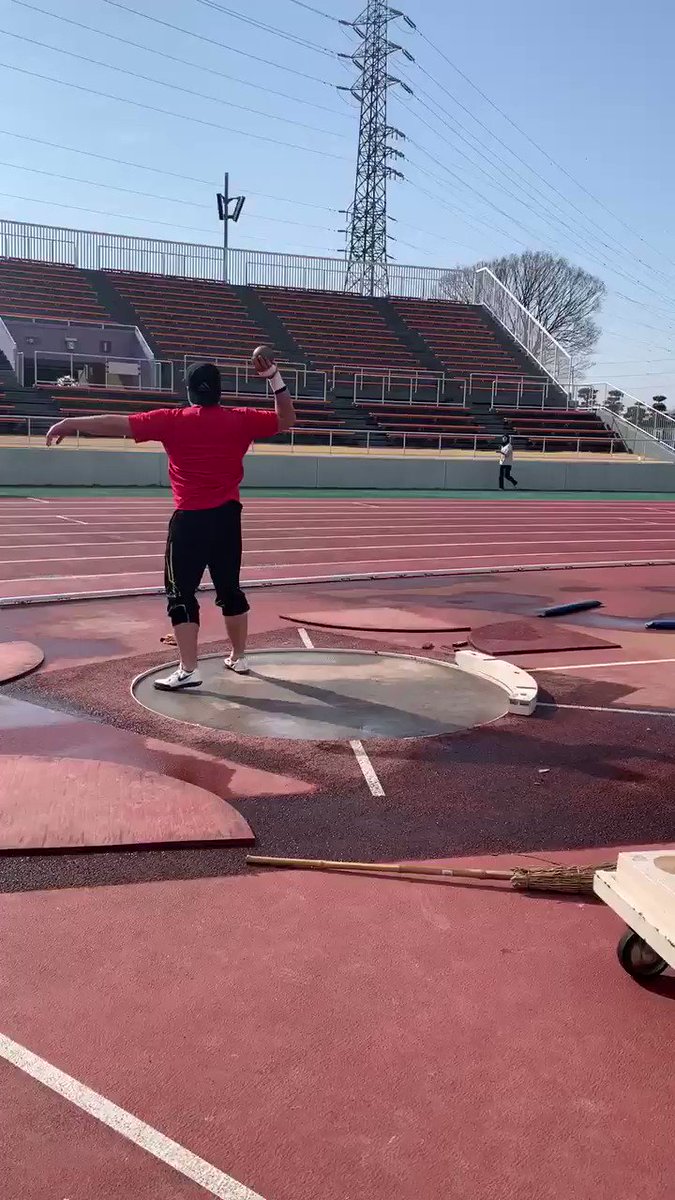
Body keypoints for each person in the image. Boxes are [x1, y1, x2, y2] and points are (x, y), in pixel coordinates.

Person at [46, 350, 296, 690]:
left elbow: (114, 423)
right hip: (227, 517)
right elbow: (286, 420)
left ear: (190, 391)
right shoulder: (240, 419)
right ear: (219, 392)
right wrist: (275, 379)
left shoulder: (172, 419)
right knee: (230, 589)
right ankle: (239, 658)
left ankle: (189, 668)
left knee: (180, 594)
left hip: (190, 519)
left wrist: (71, 422)